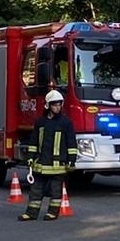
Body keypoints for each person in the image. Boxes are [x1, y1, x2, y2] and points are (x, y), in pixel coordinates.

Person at [19, 90, 79, 222]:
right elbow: (34, 142)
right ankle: (31, 213)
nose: (57, 107)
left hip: (58, 165)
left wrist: (72, 161)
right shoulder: (40, 122)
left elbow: (71, 143)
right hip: (40, 164)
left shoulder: (66, 123)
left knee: (55, 190)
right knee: (36, 190)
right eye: (54, 104)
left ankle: (52, 213)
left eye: (59, 104)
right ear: (48, 105)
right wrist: (30, 157)